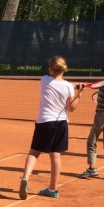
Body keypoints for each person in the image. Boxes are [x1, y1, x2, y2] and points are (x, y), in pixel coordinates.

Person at [19, 55, 83, 199]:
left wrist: (75, 87)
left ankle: (25, 178)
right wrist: (79, 94)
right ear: (64, 69)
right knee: (55, 155)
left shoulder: (44, 80)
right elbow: (70, 108)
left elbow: (56, 82)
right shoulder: (68, 87)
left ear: (51, 69)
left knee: (34, 152)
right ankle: (53, 189)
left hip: (44, 122)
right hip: (61, 123)